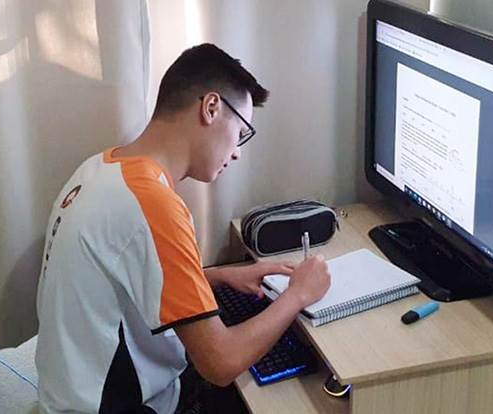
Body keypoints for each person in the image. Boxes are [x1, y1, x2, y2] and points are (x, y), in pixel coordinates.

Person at [35, 43, 331, 414]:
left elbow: (126, 281)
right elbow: (220, 364)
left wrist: (217, 277)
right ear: (211, 108)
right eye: (241, 132)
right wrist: (298, 295)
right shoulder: (152, 204)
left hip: (65, 396)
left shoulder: (100, 169)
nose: (237, 152)